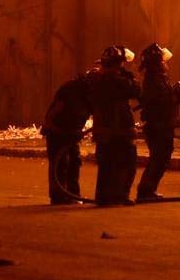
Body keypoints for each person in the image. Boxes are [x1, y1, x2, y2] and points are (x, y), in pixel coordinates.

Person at [87, 45, 141, 206]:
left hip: (105, 130)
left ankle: (105, 197)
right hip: (119, 130)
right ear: (118, 64)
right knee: (127, 163)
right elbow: (137, 90)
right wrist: (128, 76)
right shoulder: (115, 81)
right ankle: (119, 195)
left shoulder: (97, 79)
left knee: (107, 165)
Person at [136, 43, 180, 202]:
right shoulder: (153, 81)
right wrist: (176, 95)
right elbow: (160, 102)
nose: (166, 63)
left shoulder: (159, 80)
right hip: (158, 127)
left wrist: (176, 93)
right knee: (158, 159)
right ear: (156, 64)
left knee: (161, 159)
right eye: (163, 61)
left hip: (163, 126)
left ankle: (149, 190)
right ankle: (145, 191)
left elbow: (166, 99)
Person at [40, 72, 92, 204]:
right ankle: (58, 196)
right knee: (60, 163)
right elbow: (54, 113)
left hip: (72, 132)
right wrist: (53, 128)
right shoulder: (70, 91)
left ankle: (73, 194)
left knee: (74, 161)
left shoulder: (90, 94)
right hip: (57, 131)